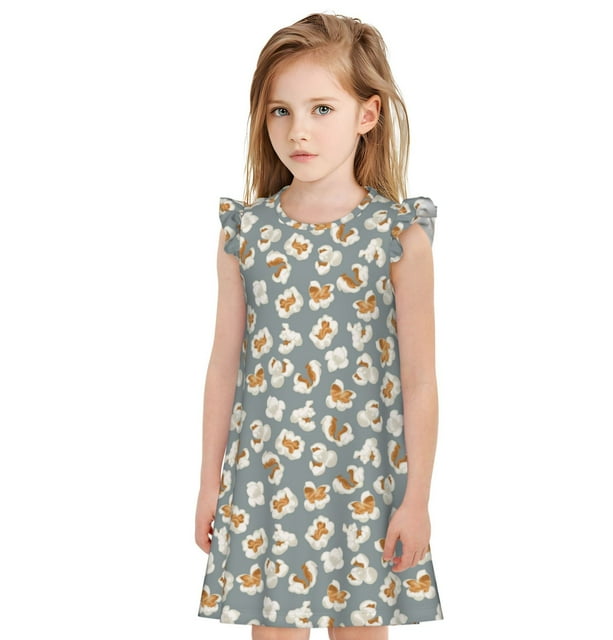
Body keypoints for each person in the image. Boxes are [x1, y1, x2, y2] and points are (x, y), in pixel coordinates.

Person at [195, 12, 443, 638]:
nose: (297, 130)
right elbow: (224, 366)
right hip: (265, 483)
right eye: (280, 111)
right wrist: (208, 485)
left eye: (321, 109)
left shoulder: (398, 237)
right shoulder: (246, 234)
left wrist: (416, 499)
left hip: (365, 484)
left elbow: (420, 381)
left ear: (368, 114)